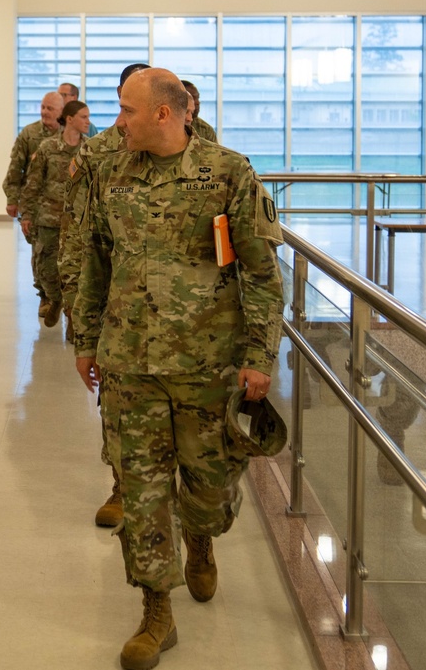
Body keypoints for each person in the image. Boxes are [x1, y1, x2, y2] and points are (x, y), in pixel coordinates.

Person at [72, 69, 284, 670]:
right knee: (142, 491)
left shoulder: (228, 173)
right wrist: (85, 340)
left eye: (127, 111)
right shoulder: (112, 175)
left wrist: (259, 358)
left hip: (206, 364)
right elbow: (94, 260)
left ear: (165, 114)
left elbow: (263, 276)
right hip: (128, 362)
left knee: (210, 489)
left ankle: (201, 536)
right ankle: (155, 611)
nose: (119, 122)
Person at [60, 62, 148, 525]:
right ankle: (120, 485)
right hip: (119, 301)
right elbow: (80, 230)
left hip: (188, 314)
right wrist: (79, 305)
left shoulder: (205, 143)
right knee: (117, 403)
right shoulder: (98, 153)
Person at [19, 100, 90, 328]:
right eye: (84, 117)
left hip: (79, 222)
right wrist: (26, 215)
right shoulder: (48, 148)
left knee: (77, 274)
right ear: (70, 119)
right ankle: (56, 299)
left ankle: (71, 318)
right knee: (46, 271)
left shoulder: (90, 150)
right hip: (49, 219)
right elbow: (33, 183)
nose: (88, 122)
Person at [3, 91, 64, 318]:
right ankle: (45, 295)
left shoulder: (71, 134)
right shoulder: (29, 134)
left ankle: (62, 297)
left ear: (61, 111)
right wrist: (12, 199)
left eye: (50, 108)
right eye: (43, 107)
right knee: (41, 252)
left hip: (65, 208)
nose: (44, 112)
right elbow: (16, 168)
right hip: (37, 207)